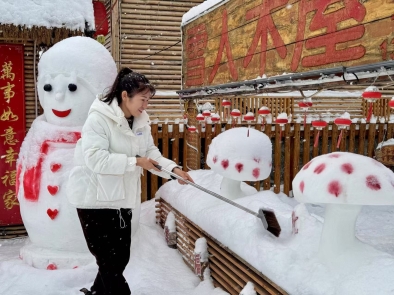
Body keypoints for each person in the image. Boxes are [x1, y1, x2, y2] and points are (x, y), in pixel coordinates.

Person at [67, 68, 194, 295]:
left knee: (119, 260)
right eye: (142, 99)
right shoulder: (98, 118)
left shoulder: (140, 122)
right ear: (125, 95)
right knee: (110, 265)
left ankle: (97, 293)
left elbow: (150, 153)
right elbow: (96, 159)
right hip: (94, 202)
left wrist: (174, 170)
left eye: (148, 100)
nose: (145, 105)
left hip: (121, 200)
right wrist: (135, 162)